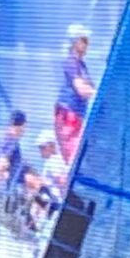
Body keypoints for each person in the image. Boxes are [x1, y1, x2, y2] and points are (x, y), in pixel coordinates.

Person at [54, 23, 95, 161]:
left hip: (77, 116)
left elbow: (89, 87)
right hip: (68, 115)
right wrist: (96, 94)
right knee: (74, 157)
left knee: (80, 155)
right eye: (85, 40)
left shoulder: (81, 65)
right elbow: (81, 89)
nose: (88, 44)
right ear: (76, 42)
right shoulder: (71, 63)